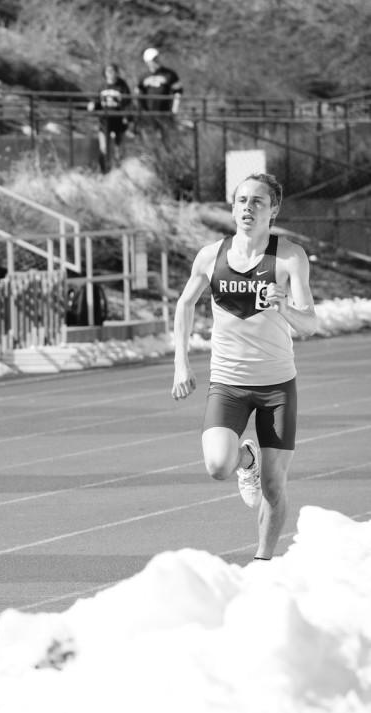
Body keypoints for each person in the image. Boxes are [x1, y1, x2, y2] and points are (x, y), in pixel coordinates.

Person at [171, 173, 318, 561]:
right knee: (219, 465)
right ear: (232, 207)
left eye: (258, 201)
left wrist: (284, 306)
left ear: (274, 209)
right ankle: (245, 459)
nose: (248, 208)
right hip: (228, 384)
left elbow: (311, 323)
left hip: (276, 386)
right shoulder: (211, 256)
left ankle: (262, 561)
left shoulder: (288, 257)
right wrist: (180, 364)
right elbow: (184, 304)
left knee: (273, 486)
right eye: (241, 201)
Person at [88, 63, 132, 173]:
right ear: (105, 73)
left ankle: (119, 172)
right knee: (104, 148)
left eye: (112, 71)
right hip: (105, 121)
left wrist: (127, 117)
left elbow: (127, 103)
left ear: (116, 72)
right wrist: (92, 105)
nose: (110, 73)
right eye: (108, 71)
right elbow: (97, 101)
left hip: (119, 121)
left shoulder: (122, 86)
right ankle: (104, 172)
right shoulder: (102, 86)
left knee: (118, 149)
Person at [136, 48, 182, 136]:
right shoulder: (143, 76)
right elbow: (138, 95)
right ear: (147, 61)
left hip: (165, 112)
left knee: (168, 137)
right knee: (151, 138)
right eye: (154, 59)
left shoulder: (169, 74)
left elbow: (178, 92)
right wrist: (142, 111)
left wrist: (175, 109)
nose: (156, 61)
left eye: (157, 58)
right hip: (148, 114)